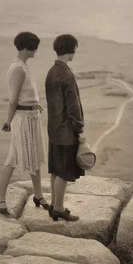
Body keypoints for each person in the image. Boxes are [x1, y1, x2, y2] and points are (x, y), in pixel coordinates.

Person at [0, 32, 49, 216]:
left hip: (31, 117)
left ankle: (38, 195)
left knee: (28, 157)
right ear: (27, 47)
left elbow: (26, 94)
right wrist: (8, 121)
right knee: (13, 159)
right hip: (23, 119)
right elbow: (13, 99)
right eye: (34, 47)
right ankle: (1, 200)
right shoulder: (18, 68)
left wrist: (35, 105)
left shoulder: (23, 66)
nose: (36, 51)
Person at [45, 34, 85, 221]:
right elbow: (73, 106)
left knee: (55, 170)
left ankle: (54, 205)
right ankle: (59, 209)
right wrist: (79, 128)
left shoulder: (52, 71)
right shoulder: (66, 74)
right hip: (66, 131)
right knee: (63, 171)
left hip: (53, 129)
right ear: (72, 49)